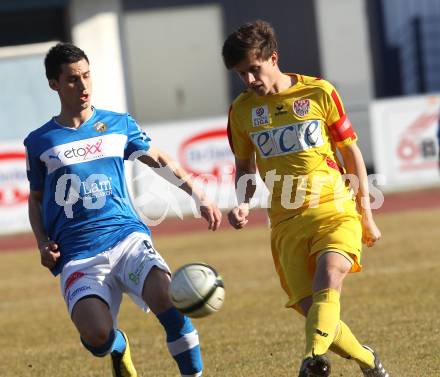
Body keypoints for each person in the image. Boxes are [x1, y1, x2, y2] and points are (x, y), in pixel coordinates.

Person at [24, 43, 222, 377]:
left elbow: (158, 159)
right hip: (78, 253)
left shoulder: (117, 124)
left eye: (87, 76)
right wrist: (42, 242)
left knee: (167, 298)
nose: (83, 86)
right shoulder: (40, 141)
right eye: (72, 79)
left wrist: (196, 192)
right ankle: (119, 347)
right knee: (97, 337)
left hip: (126, 236)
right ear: (54, 84)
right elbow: (36, 199)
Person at [222, 20, 389, 377]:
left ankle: (311, 361)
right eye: (241, 74)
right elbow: (244, 167)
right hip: (285, 222)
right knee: (311, 307)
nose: (249, 81)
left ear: (273, 58)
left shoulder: (319, 93)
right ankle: (368, 361)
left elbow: (351, 154)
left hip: (334, 209)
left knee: (330, 276)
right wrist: (242, 201)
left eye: (254, 70)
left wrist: (366, 214)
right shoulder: (241, 111)